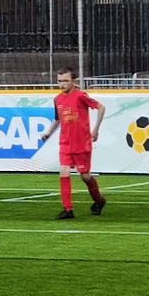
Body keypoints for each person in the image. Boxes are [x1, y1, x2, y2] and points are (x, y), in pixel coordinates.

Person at [39, 67, 107, 219]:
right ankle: (68, 209)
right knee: (64, 172)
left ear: (73, 81)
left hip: (81, 144)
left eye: (65, 81)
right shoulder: (57, 99)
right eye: (59, 81)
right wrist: (48, 132)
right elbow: (58, 119)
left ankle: (99, 200)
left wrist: (95, 130)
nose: (62, 84)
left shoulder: (81, 96)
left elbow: (101, 108)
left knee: (85, 176)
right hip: (65, 143)